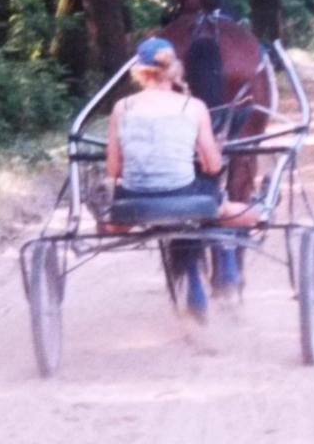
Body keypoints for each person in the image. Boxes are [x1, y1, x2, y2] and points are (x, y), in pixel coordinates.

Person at [105, 37, 261, 317]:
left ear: (139, 72)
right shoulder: (194, 107)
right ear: (174, 68)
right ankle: (225, 250)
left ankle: (193, 281)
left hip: (132, 204)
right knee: (251, 213)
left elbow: (114, 170)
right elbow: (213, 166)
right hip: (186, 197)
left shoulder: (121, 108)